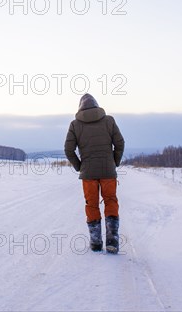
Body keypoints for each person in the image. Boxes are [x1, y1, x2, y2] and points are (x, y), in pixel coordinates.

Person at [64, 93, 125, 253]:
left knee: (91, 204)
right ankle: (112, 240)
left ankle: (96, 242)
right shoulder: (109, 121)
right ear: (97, 105)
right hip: (108, 172)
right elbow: (119, 143)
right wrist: (114, 162)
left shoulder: (75, 125)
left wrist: (80, 166)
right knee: (110, 200)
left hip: (88, 173)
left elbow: (68, 150)